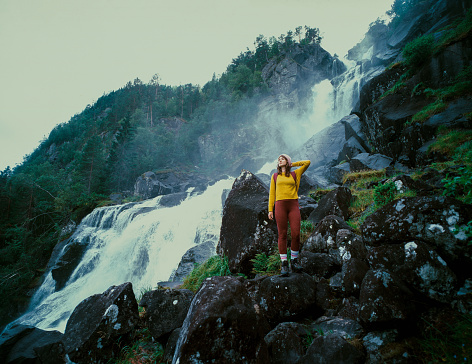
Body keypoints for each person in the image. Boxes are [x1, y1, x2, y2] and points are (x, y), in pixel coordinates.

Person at [268, 154, 311, 276]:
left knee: (296, 234)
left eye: (282, 159)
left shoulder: (295, 174)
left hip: (293, 205)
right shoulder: (275, 176)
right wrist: (270, 210)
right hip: (280, 206)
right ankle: (284, 264)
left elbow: (307, 162)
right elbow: (272, 194)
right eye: (279, 159)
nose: (279, 160)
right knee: (282, 234)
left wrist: (293, 164)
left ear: (287, 161)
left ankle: (294, 261)